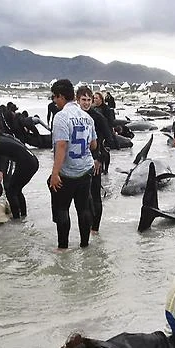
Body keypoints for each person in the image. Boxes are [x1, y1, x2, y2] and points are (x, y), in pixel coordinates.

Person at [48, 79, 98, 250]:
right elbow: (94, 145)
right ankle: (85, 245)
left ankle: (63, 248)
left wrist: (55, 173)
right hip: (85, 169)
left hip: (67, 172)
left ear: (61, 96)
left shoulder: (61, 116)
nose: (54, 101)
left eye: (55, 97)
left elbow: (61, 145)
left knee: (62, 209)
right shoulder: (87, 117)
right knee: (83, 208)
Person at [0, 119, 38, 220]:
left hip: (27, 164)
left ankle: (16, 219)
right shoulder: (4, 136)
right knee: (16, 189)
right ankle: (23, 216)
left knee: (11, 191)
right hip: (32, 161)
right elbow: (0, 160)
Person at [77, 86, 115, 234]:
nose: (86, 103)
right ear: (77, 100)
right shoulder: (74, 116)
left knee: (95, 196)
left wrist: (99, 158)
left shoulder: (98, 117)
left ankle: (95, 229)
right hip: (78, 163)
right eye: (83, 100)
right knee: (83, 198)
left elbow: (109, 140)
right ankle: (85, 228)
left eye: (89, 100)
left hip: (95, 162)